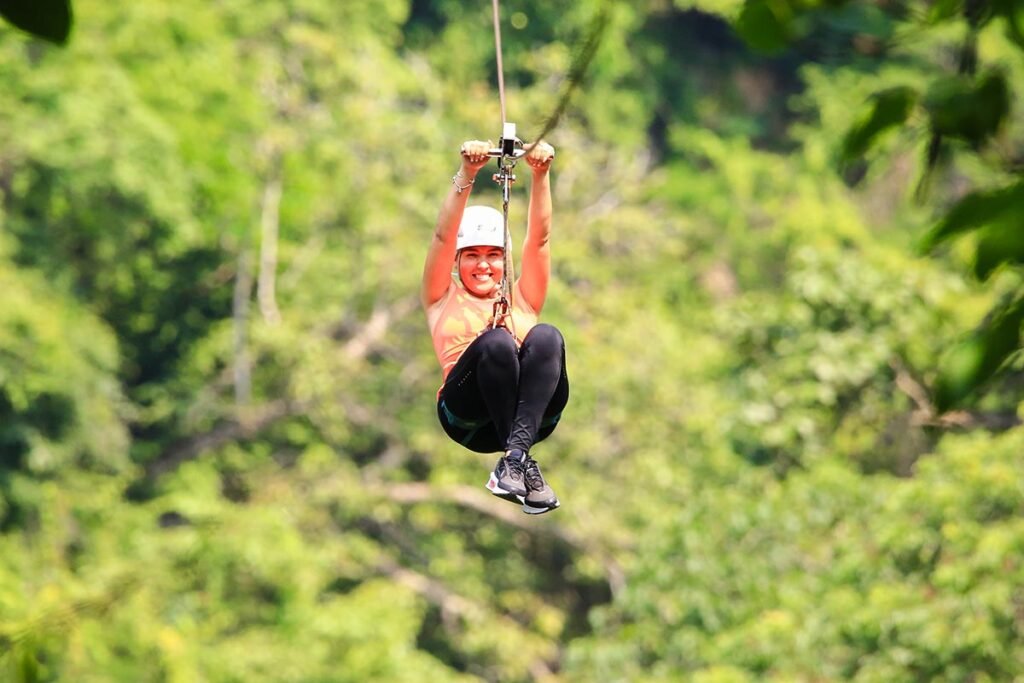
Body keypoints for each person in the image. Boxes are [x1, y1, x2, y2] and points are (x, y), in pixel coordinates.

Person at [421, 138, 568, 515]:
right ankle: (517, 460)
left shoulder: (523, 300)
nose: (483, 265)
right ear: (458, 261)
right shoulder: (442, 298)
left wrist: (541, 175)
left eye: (493, 256)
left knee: (547, 336)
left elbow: (540, 240)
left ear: (505, 260)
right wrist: (467, 173)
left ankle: (516, 459)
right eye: (472, 255)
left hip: (529, 419)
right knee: (498, 343)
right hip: (467, 417)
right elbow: (441, 236)